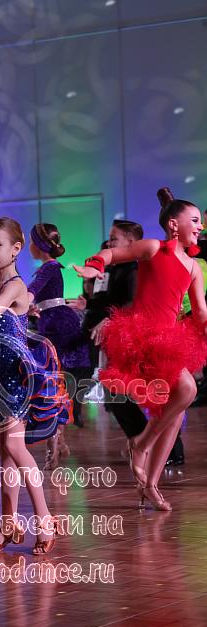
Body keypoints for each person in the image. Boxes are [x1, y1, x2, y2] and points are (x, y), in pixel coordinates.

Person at [74, 188, 207, 510]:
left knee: (174, 411)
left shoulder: (193, 268)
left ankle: (150, 484)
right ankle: (141, 443)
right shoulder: (153, 248)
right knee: (187, 389)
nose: (200, 226)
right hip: (141, 339)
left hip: (169, 342)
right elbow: (113, 255)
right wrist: (95, 265)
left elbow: (200, 311)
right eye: (194, 220)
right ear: (174, 224)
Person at [0, 216, 71, 555]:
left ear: (16, 249)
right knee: (6, 454)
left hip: (17, 375)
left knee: (15, 448)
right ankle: (8, 525)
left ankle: (45, 519)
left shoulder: (15, 285)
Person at [27, 222, 89, 468]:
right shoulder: (49, 267)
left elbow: (31, 292)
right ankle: (57, 441)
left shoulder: (49, 267)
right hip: (52, 323)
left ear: (38, 245)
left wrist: (14, 300)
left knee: (51, 382)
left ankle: (55, 444)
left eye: (31, 241)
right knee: (53, 383)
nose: (29, 246)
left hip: (58, 327)